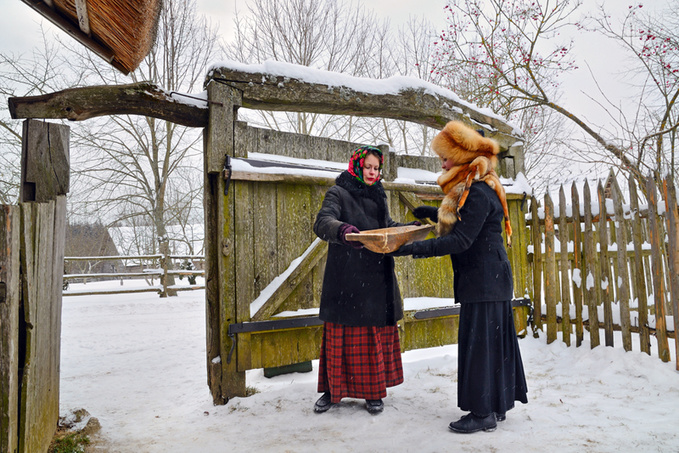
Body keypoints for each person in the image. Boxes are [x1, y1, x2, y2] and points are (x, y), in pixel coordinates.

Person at [390, 121, 528, 433]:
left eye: (446, 157)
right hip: (490, 280)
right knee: (492, 346)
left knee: (480, 347)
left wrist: (414, 249)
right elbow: (465, 224)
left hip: (483, 282)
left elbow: (461, 240)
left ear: (462, 156)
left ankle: (482, 414)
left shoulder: (477, 192)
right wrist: (432, 212)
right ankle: (494, 407)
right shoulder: (481, 185)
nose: (442, 163)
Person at [312, 145, 417, 415]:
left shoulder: (378, 195)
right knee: (340, 339)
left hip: (375, 281)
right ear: (357, 166)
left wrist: (408, 230)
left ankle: (373, 393)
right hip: (346, 280)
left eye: (376, 168)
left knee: (371, 340)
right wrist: (344, 230)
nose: (373, 172)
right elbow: (323, 222)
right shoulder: (338, 192)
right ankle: (331, 391)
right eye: (368, 167)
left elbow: (386, 226)